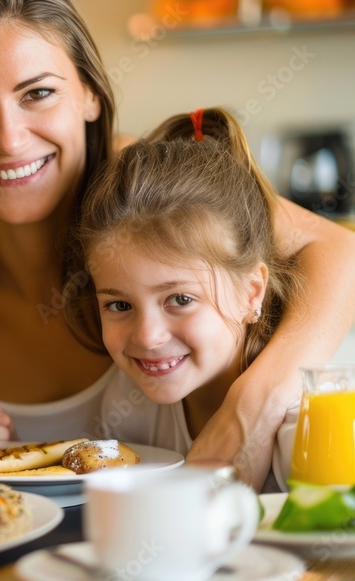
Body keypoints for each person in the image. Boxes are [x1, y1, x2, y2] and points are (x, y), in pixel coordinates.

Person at [0, 0, 355, 488]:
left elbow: (341, 252)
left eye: (37, 93)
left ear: (90, 92)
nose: (9, 140)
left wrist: (252, 408)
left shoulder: (148, 197)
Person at [63, 108, 300, 491]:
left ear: (251, 292)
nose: (148, 336)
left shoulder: (302, 426)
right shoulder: (127, 408)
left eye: (180, 299)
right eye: (119, 305)